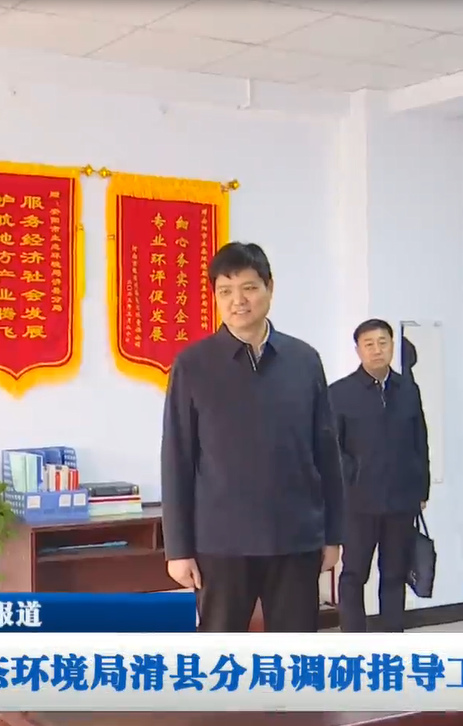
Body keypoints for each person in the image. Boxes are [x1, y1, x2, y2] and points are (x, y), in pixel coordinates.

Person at [161, 242, 343, 633]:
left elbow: (327, 452)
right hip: (222, 543)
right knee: (220, 652)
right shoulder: (193, 365)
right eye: (225, 291)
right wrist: (178, 549)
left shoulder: (304, 360)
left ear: (269, 288)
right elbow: (177, 459)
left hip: (295, 537)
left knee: (295, 654)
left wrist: (332, 535)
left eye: (249, 288)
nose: (237, 301)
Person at [330, 318, 431, 632]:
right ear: (358, 350)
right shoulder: (340, 393)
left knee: (395, 574)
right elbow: (332, 448)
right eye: (369, 344)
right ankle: (354, 641)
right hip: (358, 503)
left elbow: (420, 441)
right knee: (354, 575)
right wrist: (352, 478)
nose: (377, 350)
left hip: (401, 501)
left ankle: (392, 639)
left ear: (392, 346)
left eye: (383, 342)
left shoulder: (408, 390)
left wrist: (421, 489)